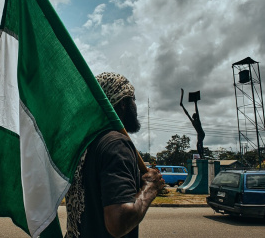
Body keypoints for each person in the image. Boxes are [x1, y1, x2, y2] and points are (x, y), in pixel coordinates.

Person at [65, 72, 164, 238]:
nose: (135, 105)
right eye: (132, 98)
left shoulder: (85, 144)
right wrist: (150, 187)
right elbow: (118, 222)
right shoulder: (116, 144)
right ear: (123, 102)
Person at [180, 88, 205, 159]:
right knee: (199, 145)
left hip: (202, 133)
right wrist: (182, 106)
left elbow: (196, 111)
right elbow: (187, 113)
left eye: (194, 115)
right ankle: (201, 155)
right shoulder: (193, 121)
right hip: (199, 134)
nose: (193, 115)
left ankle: (202, 155)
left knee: (199, 144)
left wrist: (195, 103)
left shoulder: (197, 121)